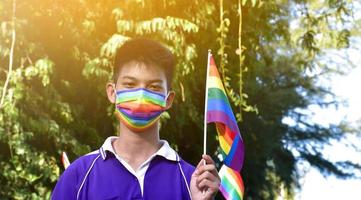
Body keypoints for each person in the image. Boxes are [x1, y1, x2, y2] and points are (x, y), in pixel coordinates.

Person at [51, 38, 220, 200]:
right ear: (112, 92)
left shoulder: (193, 180)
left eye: (153, 87)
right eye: (130, 85)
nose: (141, 96)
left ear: (168, 100)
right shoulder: (78, 175)